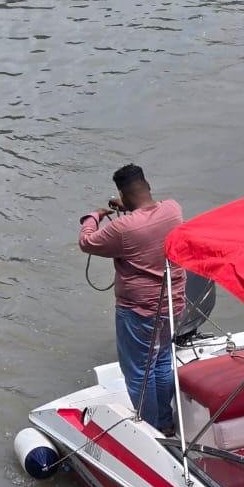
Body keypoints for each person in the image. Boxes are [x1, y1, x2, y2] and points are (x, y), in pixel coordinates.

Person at [78, 164, 185, 433]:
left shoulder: (123, 228)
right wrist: (129, 207)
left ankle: (150, 430)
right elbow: (147, 219)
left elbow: (87, 242)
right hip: (173, 303)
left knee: (139, 372)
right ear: (147, 186)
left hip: (139, 311)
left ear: (122, 194)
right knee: (162, 362)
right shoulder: (173, 210)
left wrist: (93, 216)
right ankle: (165, 422)